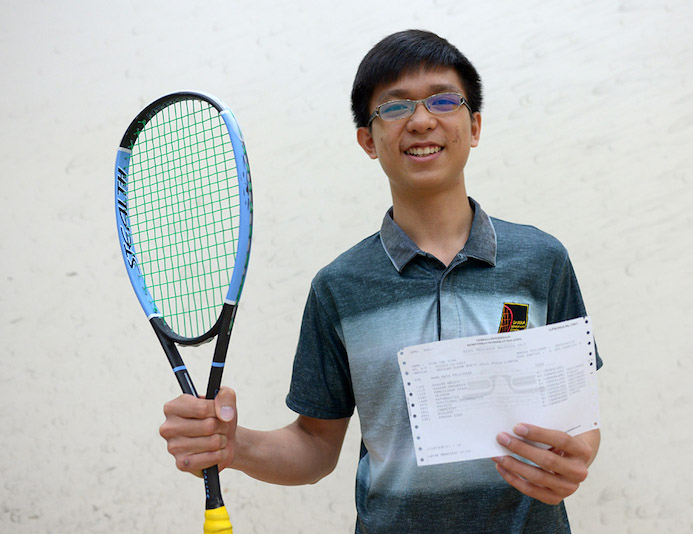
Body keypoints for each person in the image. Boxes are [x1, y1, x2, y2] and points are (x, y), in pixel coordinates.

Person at [160, 29, 602, 533]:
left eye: (443, 100)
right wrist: (235, 445)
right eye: (394, 107)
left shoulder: (541, 261)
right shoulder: (339, 287)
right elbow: (315, 447)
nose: (420, 120)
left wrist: (574, 458)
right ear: (367, 140)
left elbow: (580, 417)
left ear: (474, 126)